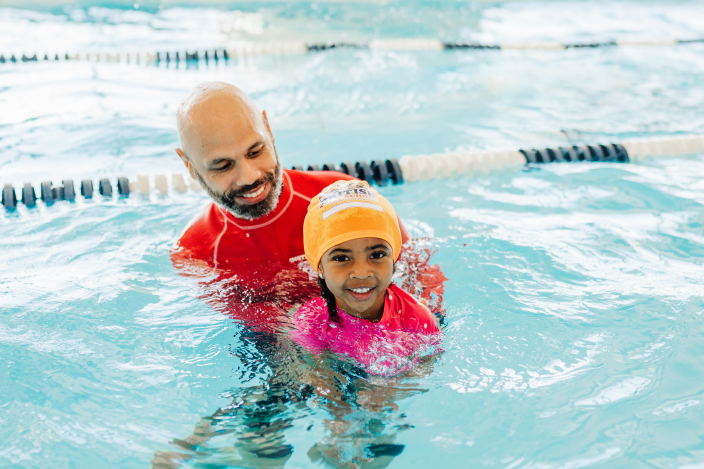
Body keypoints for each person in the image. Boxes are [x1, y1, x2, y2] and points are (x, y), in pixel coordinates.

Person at [291, 180, 443, 376]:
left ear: (394, 259)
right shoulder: (310, 321)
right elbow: (313, 375)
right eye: (342, 258)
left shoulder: (417, 319)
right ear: (320, 266)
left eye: (377, 255)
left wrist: (389, 390)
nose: (361, 273)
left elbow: (427, 371)